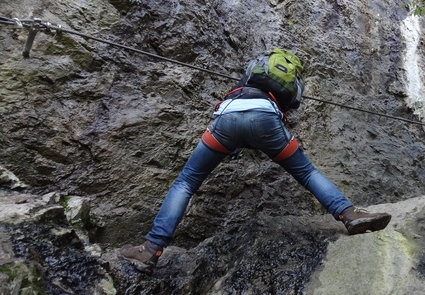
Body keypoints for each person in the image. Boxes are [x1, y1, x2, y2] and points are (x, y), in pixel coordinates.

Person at [119, 48, 391, 275]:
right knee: (307, 173)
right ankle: (349, 214)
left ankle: (150, 249)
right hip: (266, 119)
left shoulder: (250, 74)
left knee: (187, 182)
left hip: (228, 119)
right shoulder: (287, 83)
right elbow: (292, 105)